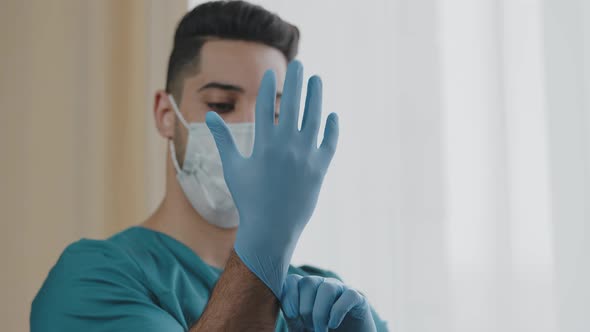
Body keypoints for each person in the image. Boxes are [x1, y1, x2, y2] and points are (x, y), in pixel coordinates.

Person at [30, 1, 388, 331]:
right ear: (165, 115)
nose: (254, 131)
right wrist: (266, 247)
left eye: (274, 114)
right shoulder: (93, 279)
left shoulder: (325, 301)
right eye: (222, 104)